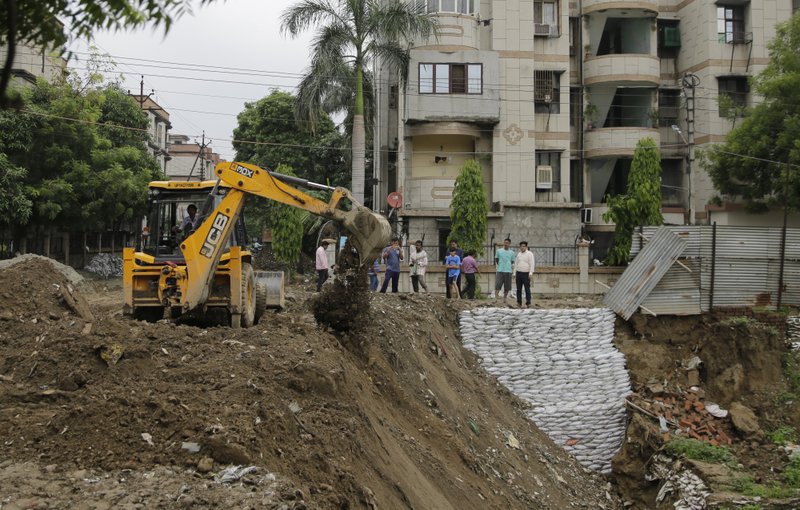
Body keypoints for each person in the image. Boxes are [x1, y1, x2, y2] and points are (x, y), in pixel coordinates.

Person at [514, 241, 535, 308]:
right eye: (521, 246)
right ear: (519, 247)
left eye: (524, 246)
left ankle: (528, 302)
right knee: (518, 289)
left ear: (526, 247)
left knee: (527, 289)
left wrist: (530, 273)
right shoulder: (519, 254)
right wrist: (514, 273)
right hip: (518, 273)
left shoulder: (529, 254)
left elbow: (532, 264)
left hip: (526, 274)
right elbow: (516, 264)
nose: (522, 248)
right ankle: (519, 302)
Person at [494, 238, 515, 303]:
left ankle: (505, 298)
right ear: (504, 243)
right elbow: (496, 259)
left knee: (507, 286)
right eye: (505, 242)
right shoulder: (499, 251)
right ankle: (496, 298)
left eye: (507, 243)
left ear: (509, 244)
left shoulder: (512, 253)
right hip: (500, 270)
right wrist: (500, 264)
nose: (506, 244)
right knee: (498, 285)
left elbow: (512, 262)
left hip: (508, 271)